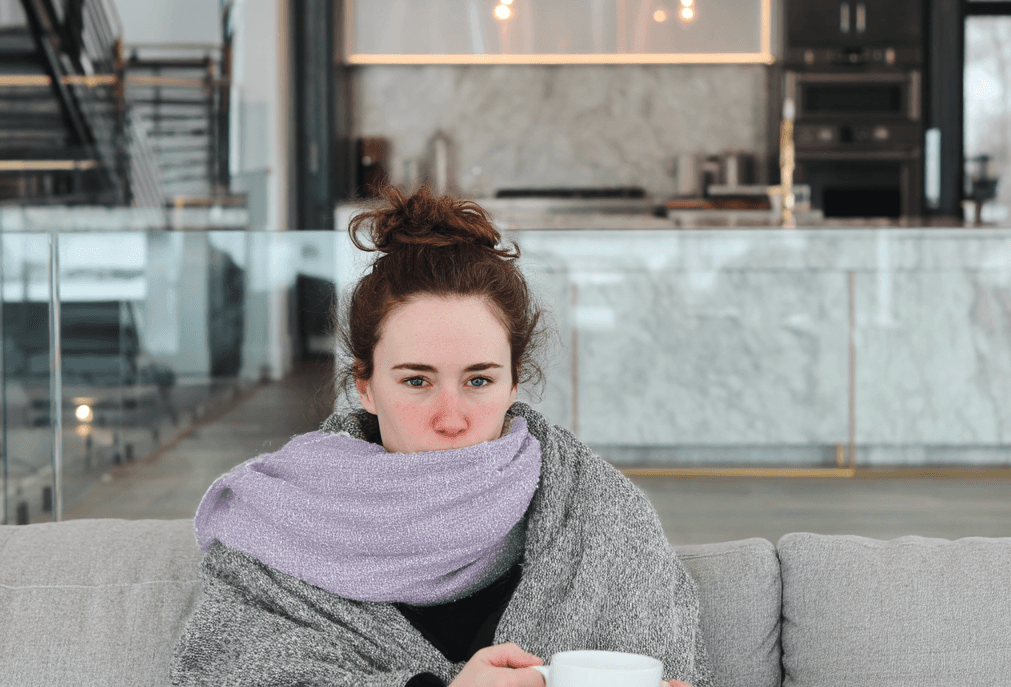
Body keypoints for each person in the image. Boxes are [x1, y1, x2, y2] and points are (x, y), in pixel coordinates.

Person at [171, 185, 712, 687]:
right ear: (365, 386)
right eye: (416, 381)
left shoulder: (602, 514)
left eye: (479, 381)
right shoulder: (277, 525)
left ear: (513, 383)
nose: (451, 419)